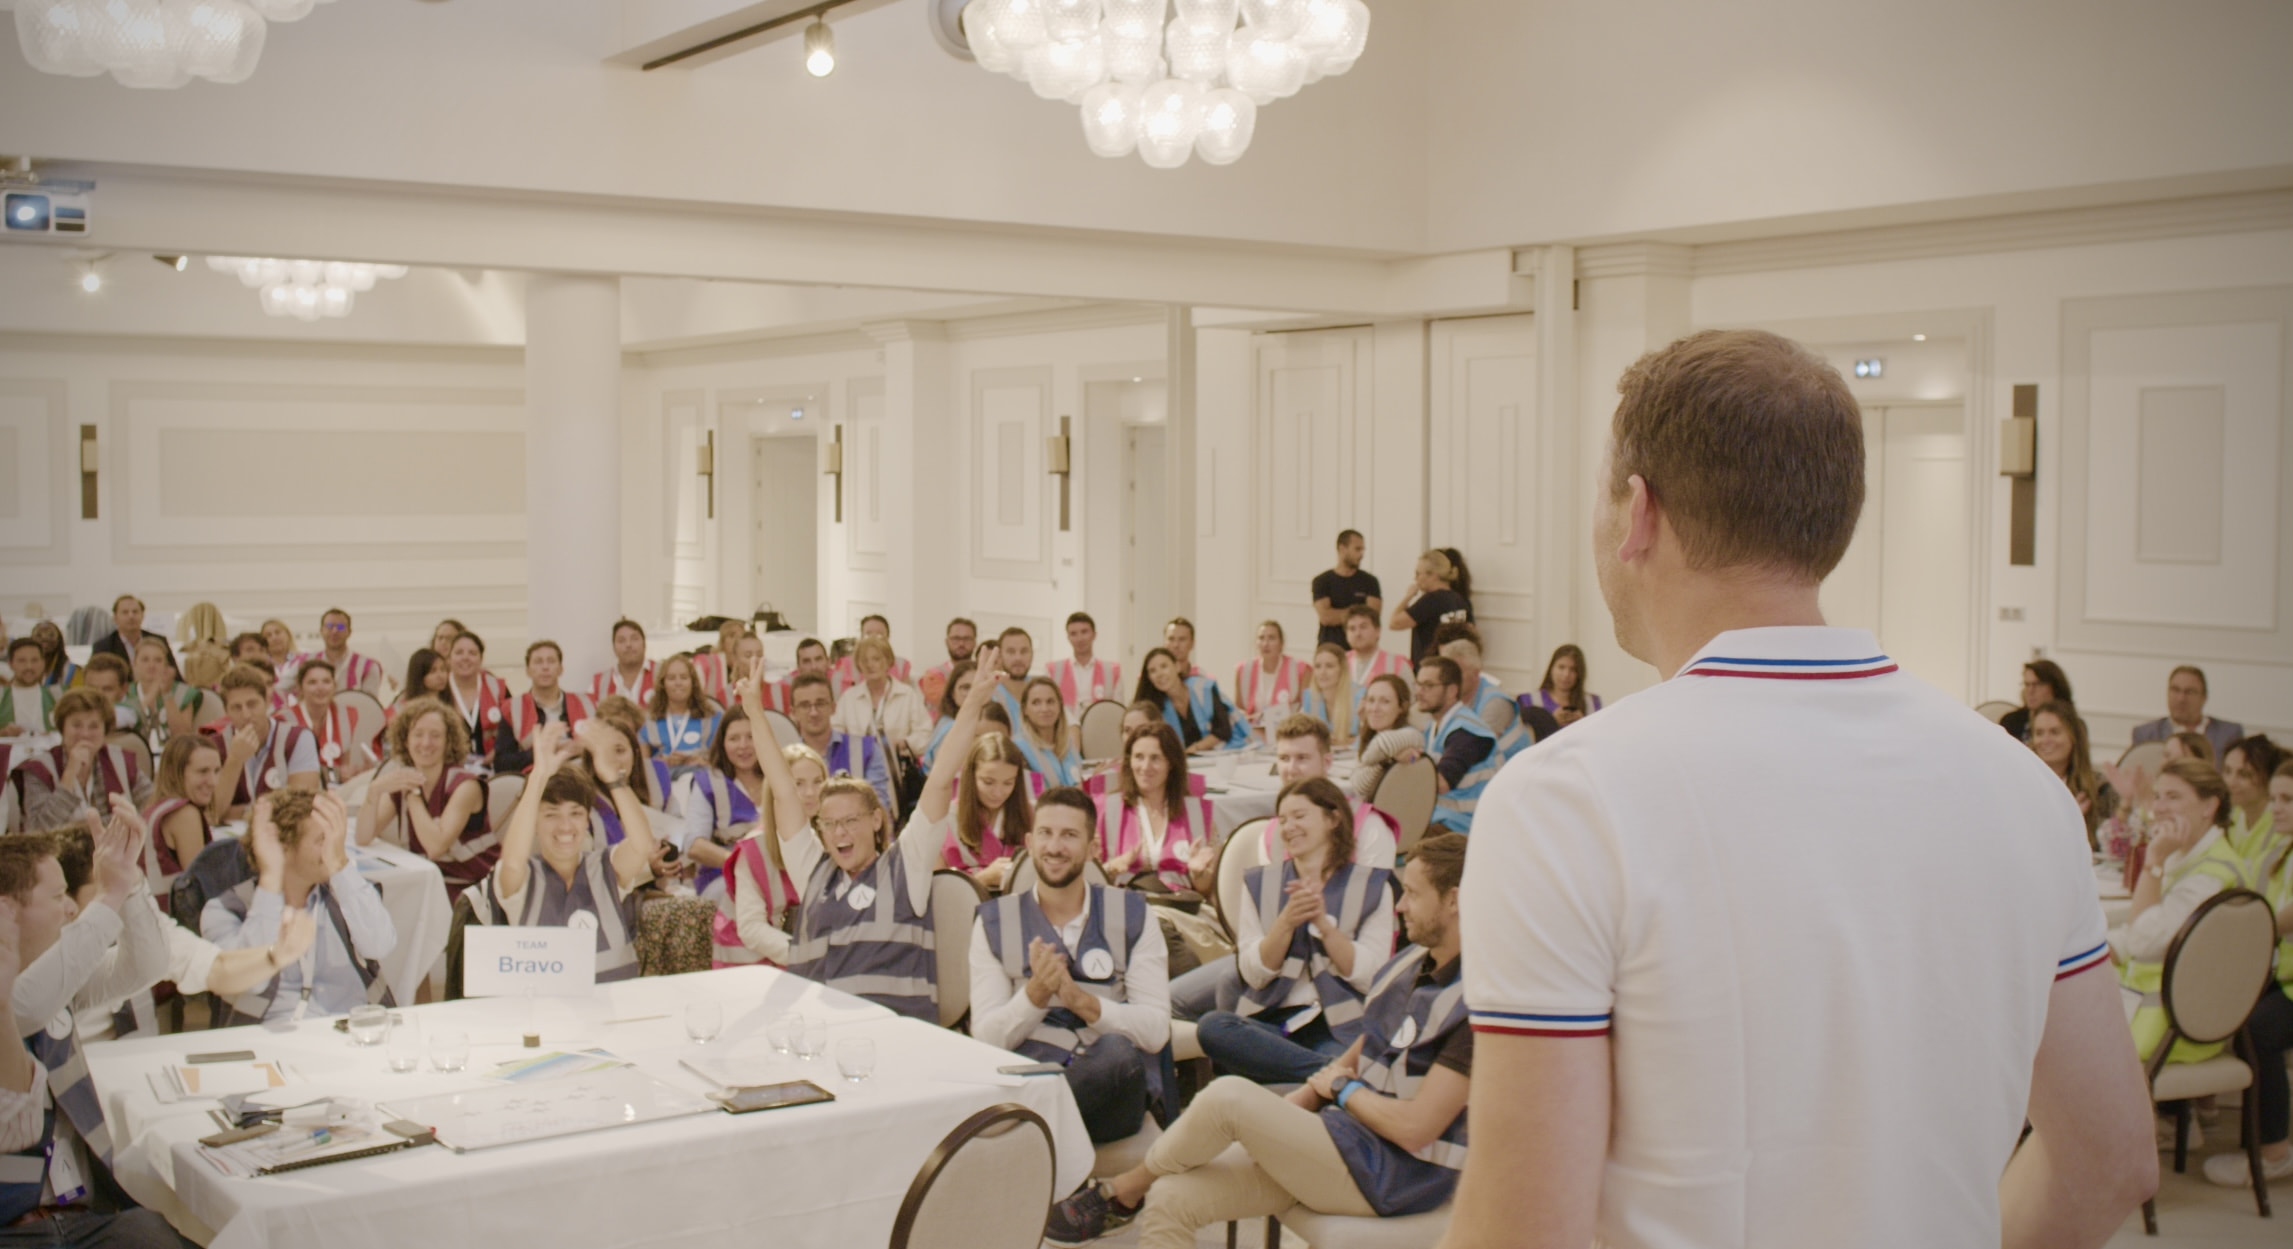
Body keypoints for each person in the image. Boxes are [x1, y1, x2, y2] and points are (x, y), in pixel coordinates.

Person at [1446, 329, 2154, 1249]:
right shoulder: (2023, 788)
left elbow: (1521, 1232)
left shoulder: (1565, 799)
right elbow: (2107, 1161)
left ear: (1636, 512)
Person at [1046, 833, 1473, 1248]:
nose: (1399, 905)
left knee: (1228, 1096)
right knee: (1172, 1198)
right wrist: (1308, 1096)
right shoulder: (1414, 961)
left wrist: (1342, 1089)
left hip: (1391, 1175)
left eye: (1412, 894)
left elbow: (1417, 1130)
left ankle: (1123, 1191)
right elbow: (1370, 1042)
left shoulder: (1475, 1005)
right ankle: (1134, 1193)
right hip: (1344, 1142)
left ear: (1453, 900)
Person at [0, 818, 197, 1248]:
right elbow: (23, 1009)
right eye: (56, 896)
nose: (71, 908)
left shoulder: (57, 985)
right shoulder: (24, 996)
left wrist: (129, 882)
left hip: (85, 1217)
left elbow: (143, 965)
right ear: (7, 910)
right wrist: (106, 896)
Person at [775, 655, 1001, 1020]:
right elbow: (783, 793)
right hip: (814, 1036)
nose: (840, 832)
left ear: (877, 820)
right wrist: (754, 711)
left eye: (850, 820)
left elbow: (941, 777)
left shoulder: (904, 866)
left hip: (888, 1039)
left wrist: (973, 703)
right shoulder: (814, 873)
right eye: (829, 824)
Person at [972, 785, 1171, 1145]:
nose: (1054, 847)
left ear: (1093, 849)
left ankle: (1024, 1136)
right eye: (1046, 834)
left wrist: (1082, 1002)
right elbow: (985, 1039)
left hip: (1110, 1092)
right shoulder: (994, 922)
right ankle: (1038, 1140)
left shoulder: (1133, 913)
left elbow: (1156, 1031)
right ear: (1030, 843)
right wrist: (1034, 996)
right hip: (1030, 1079)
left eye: (1069, 835)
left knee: (1117, 1052)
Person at [1170, 717, 1400, 1024]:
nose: (1292, 769)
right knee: (1177, 998)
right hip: (1284, 960)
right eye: (1284, 759)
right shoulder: (1275, 833)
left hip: (1343, 965)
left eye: (1303, 758)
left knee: (1231, 991)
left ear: (1327, 761)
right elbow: (1269, 912)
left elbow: (1373, 903)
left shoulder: (1369, 827)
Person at [1197, 777, 1395, 1084]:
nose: (1288, 827)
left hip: (1340, 1026)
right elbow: (1253, 974)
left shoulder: (1372, 886)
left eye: (1300, 817)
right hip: (1276, 1023)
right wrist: (1285, 923)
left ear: (1333, 818)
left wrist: (1326, 928)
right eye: (1283, 820)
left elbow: (1373, 978)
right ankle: (1331, 1074)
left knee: (1353, 1050)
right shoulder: (1259, 884)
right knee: (1213, 1027)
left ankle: (1327, 1072)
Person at [475, 722, 658, 984]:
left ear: (587, 821)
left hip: (615, 1012)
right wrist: (538, 777)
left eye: (575, 814)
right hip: (547, 1017)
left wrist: (613, 779)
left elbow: (642, 844)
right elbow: (513, 861)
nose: (565, 826)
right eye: (551, 815)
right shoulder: (522, 878)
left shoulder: (605, 867)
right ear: (535, 824)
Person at [2109, 758, 2254, 1074]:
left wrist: (2154, 862)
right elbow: (2144, 925)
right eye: (2158, 796)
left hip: (2174, 1022)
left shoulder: (2213, 875)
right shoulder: (2190, 856)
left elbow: (2145, 940)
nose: (2159, 807)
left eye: (2173, 797)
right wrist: (2100, 950)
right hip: (2155, 1005)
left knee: (2057, 1029)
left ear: (2209, 806)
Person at [202, 790, 394, 1024]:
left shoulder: (343, 895)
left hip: (353, 1028)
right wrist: (271, 883)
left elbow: (381, 945)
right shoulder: (226, 910)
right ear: (283, 846)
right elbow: (251, 983)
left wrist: (340, 865)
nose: (332, 847)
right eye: (321, 840)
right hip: (274, 1039)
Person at [2207, 759, 2293, 1188]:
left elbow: (2274, 922)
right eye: (2275, 798)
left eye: (2288, 800)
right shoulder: (2283, 853)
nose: (2277, 809)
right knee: (2233, 1010)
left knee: (2258, 1029)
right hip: (2285, 979)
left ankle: (2275, 1150)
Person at [715, 673, 827, 968]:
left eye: (818, 782)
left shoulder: (831, 837)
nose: (810, 792)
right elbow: (751, 928)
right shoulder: (754, 848)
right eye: (798, 784)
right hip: (751, 966)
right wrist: (804, 953)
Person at [356, 699, 492, 898]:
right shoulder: (403, 782)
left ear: (448, 742)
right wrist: (373, 793)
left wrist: (413, 795)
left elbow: (435, 847)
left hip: (470, 891)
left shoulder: (466, 786)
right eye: (418, 735)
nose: (426, 743)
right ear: (405, 740)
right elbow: (363, 837)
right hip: (427, 886)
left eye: (435, 736)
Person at [1096, 722, 1218, 893]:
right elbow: (1089, 881)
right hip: (1124, 908)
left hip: (1178, 909)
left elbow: (1207, 891)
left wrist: (1198, 875)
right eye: (1138, 757)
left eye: (1155, 758)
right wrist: (1112, 867)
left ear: (1171, 763)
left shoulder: (1196, 813)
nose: (1145, 767)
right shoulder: (1107, 810)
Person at [19, 691, 153, 831]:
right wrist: (69, 775)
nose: (85, 734)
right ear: (62, 728)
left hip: (117, 849)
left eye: (94, 726)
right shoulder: (40, 768)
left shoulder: (119, 760)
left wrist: (81, 828)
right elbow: (38, 828)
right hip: (59, 852)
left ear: (105, 731)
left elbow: (151, 805)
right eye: (76, 725)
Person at [209, 665, 319, 820]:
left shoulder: (298, 738)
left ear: (267, 701)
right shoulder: (214, 746)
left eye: (252, 704)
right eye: (236, 707)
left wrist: (240, 812)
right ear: (226, 711)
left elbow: (300, 807)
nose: (246, 714)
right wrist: (234, 760)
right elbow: (213, 813)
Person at [1406, 657, 1498, 835]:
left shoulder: (1467, 732)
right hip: (1443, 817)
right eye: (1417, 684)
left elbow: (1441, 783)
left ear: (1451, 691)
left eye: (1429, 686)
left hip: (1465, 825)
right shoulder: (1434, 725)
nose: (1419, 692)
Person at [788, 671, 894, 812]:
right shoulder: (785, 761)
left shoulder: (867, 749)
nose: (813, 712)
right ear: (793, 712)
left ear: (833, 707)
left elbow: (879, 809)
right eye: (805, 705)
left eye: (820, 703)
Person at [941, 733, 1036, 888]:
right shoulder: (947, 819)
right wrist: (983, 878)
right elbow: (938, 891)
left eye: (1008, 783)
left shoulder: (1031, 815)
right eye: (988, 782)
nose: (998, 792)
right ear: (971, 776)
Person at [1436, 624, 1530, 761]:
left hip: (1514, 774)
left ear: (1475, 673)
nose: (1451, 679)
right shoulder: (1452, 697)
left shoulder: (1495, 703)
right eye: (1448, 673)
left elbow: (1473, 750)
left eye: (1458, 673)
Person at [498, 639, 592, 774]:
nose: (545, 667)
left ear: (561, 669)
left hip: (581, 775)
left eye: (551, 661)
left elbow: (605, 748)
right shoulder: (512, 708)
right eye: (538, 662)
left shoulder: (586, 703)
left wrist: (584, 748)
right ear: (528, 671)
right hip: (535, 778)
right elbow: (501, 762)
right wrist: (545, 750)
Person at [2029, 700, 2114, 844]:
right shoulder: (2023, 783)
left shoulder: (2099, 787)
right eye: (2039, 733)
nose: (2045, 740)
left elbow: (2107, 845)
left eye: (2054, 732)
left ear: (2073, 737)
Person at [1136, 648, 1249, 754]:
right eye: (1152, 671)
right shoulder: (1156, 706)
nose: (1159, 674)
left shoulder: (1203, 687)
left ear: (1177, 667)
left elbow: (1223, 730)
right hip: (1189, 763)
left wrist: (1194, 749)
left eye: (1164, 666)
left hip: (1227, 752)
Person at [833, 638, 932, 757]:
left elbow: (925, 733)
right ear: (859, 665)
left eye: (876, 659)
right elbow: (835, 733)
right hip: (858, 765)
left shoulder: (907, 695)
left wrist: (904, 743)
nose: (870, 665)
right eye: (864, 660)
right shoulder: (848, 698)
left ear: (888, 661)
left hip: (897, 765)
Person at [142, 735, 220, 885]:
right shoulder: (185, 815)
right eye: (203, 771)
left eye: (216, 771)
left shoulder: (154, 808)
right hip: (166, 907)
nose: (213, 782)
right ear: (173, 772)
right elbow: (201, 884)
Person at [283, 659, 374, 786]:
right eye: (312, 682)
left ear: (334, 686)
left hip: (337, 790)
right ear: (300, 688)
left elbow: (347, 764)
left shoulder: (348, 715)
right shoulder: (284, 720)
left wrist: (353, 772)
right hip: (298, 789)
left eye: (326, 681)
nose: (320, 688)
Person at [2130, 665, 2245, 762]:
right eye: (2175, 690)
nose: (2181, 698)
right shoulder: (2146, 735)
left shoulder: (2229, 734)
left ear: (2204, 697)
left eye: (2189, 692)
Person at [1346, 674, 1422, 804]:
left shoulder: (1411, 735)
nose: (1375, 708)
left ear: (1401, 707)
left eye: (1385, 701)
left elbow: (1379, 747)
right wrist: (1386, 761)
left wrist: (1375, 762)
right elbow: (1358, 786)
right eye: (1371, 700)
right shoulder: (1373, 737)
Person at [1388, 549, 1473, 665]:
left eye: (1418, 573)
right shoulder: (1460, 599)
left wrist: (1408, 596)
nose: (1415, 578)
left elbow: (1394, 623)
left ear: (1432, 575)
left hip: (1431, 667)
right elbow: (1471, 631)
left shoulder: (1430, 601)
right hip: (1455, 666)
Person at [440, 631, 512, 767]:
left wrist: (497, 751)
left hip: (493, 767)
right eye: (459, 652)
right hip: (449, 769)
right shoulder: (439, 688)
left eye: (472, 653)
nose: (465, 658)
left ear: (481, 659)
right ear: (449, 658)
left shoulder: (497, 688)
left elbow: (513, 727)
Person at [641, 653, 721, 768]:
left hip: (702, 781)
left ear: (693, 682)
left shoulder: (714, 718)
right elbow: (642, 769)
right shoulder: (648, 721)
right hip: (663, 783)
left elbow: (725, 766)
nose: (678, 683)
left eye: (684, 677)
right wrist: (664, 764)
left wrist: (702, 763)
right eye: (671, 678)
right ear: (663, 684)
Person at [1312, 528, 1383, 650]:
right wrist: (1359, 613)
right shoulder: (1322, 581)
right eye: (1357, 549)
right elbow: (1326, 617)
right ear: (1342, 549)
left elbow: (1373, 616)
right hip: (1331, 648)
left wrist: (1339, 614)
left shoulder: (1370, 581)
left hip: (1362, 649)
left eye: (1362, 549)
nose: (1361, 554)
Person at [1233, 621, 1308, 734]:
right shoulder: (1243, 669)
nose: (1265, 644)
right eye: (1261, 638)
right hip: (1253, 733)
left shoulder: (1299, 669)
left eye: (1271, 638)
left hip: (1287, 732)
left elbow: (1306, 709)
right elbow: (1238, 708)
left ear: (1281, 643)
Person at [124, 637, 199, 750]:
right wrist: (152, 692)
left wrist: (166, 693)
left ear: (166, 665)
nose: (151, 665)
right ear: (134, 664)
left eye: (158, 660)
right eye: (145, 660)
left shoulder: (183, 692)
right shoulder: (125, 692)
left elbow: (183, 735)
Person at [2222, 734, 2285, 865]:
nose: (2231, 782)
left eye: (2244, 775)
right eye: (2227, 771)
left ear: (2268, 778)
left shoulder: (2280, 822)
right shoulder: (2232, 814)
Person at [1013, 677, 1086, 788]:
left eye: (1050, 702)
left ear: (1060, 706)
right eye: (1036, 703)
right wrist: (1083, 787)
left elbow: (1080, 776)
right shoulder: (1019, 750)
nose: (1045, 708)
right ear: (1025, 709)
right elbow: (1035, 796)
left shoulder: (1068, 743)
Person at [1046, 612, 1124, 712]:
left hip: (1101, 725)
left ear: (1094, 635)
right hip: (1066, 727)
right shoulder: (1053, 670)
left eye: (1084, 632)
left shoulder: (1112, 670)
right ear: (1068, 638)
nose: (1080, 639)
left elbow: (1118, 709)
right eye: (1073, 634)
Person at [1342, 607, 1409, 708]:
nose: (1357, 633)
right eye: (1352, 628)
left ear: (1378, 631)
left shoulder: (1397, 664)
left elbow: (1410, 703)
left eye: (1363, 627)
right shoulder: (1338, 662)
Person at [830, 614, 913, 694]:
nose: (873, 638)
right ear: (861, 637)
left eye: (879, 634)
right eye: (868, 634)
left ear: (888, 638)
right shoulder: (846, 664)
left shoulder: (902, 665)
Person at [310, 608, 383, 697]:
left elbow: (369, 705)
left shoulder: (367, 666)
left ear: (349, 632)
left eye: (341, 627)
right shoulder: (306, 663)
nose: (334, 631)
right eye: (329, 626)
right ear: (321, 630)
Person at [1525, 642, 1602, 727]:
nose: (1566, 675)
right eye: (1561, 667)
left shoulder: (1591, 702)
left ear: (1579, 674)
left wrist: (1583, 723)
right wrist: (1550, 721)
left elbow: (1599, 735)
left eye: (1573, 669)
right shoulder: (1530, 700)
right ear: (1551, 668)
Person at [920, 660, 978, 772]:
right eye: (966, 688)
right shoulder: (949, 728)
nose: (972, 693)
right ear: (952, 693)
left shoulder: (983, 722)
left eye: (977, 687)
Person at [88, 594, 171, 671]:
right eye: (125, 612)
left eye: (135, 612)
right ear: (115, 618)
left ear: (142, 616)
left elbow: (174, 675)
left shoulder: (159, 641)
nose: (131, 616)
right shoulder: (103, 647)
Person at [1999, 658, 2072, 744]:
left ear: (2055, 688)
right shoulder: (2010, 722)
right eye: (2027, 684)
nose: (2030, 691)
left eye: (2037, 684)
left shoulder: (2071, 723)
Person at [918, 617, 980, 714]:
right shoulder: (933, 675)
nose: (961, 643)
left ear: (975, 642)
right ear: (947, 642)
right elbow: (944, 703)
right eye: (956, 638)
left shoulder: (982, 674)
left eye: (967, 639)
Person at [1298, 643, 1356, 743]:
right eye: (1318, 666)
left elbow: (1368, 739)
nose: (1322, 672)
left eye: (1329, 666)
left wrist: (1343, 742)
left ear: (1342, 669)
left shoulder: (1359, 696)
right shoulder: (1309, 696)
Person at [591, 618, 656, 705]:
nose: (628, 645)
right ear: (613, 648)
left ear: (644, 644)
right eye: (621, 640)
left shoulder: (662, 674)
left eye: (634, 639)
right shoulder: (600, 682)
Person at [0, 639, 54, 736]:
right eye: (22, 661)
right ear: (10, 664)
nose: (29, 666)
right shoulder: (1, 696)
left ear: (43, 663)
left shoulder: (58, 696)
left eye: (34, 660)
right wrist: (3, 733)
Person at [390, 647, 451, 731]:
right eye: (433, 671)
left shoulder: (450, 702)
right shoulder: (405, 707)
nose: (440, 676)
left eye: (443, 669)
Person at [989, 627, 1039, 725]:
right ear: (999, 656)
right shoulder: (989, 694)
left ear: (1032, 654)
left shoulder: (1042, 690)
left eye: (1024, 651)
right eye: (1011, 652)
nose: (1018, 658)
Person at [76, 654, 137, 732]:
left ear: (123, 689)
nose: (98, 695)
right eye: (92, 689)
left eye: (107, 689)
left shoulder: (130, 711)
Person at [27, 620, 78, 690]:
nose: (44, 639)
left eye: (51, 635)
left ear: (58, 640)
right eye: (39, 636)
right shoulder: (23, 667)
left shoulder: (71, 670)